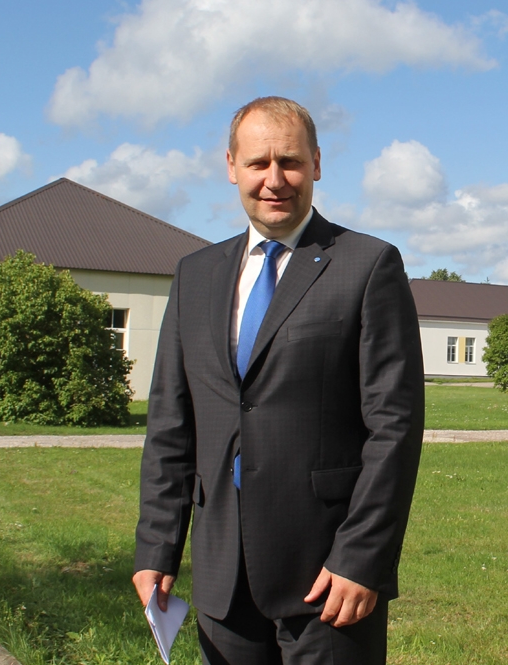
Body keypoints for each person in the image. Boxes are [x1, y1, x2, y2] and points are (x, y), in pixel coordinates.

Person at [133, 96, 424, 664]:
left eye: (289, 161)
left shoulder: (367, 266)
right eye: (258, 163)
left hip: (328, 580)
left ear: (316, 163)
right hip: (222, 577)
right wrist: (157, 548)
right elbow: (171, 425)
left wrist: (362, 557)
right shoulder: (195, 275)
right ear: (231, 167)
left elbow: (394, 427)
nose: (274, 179)